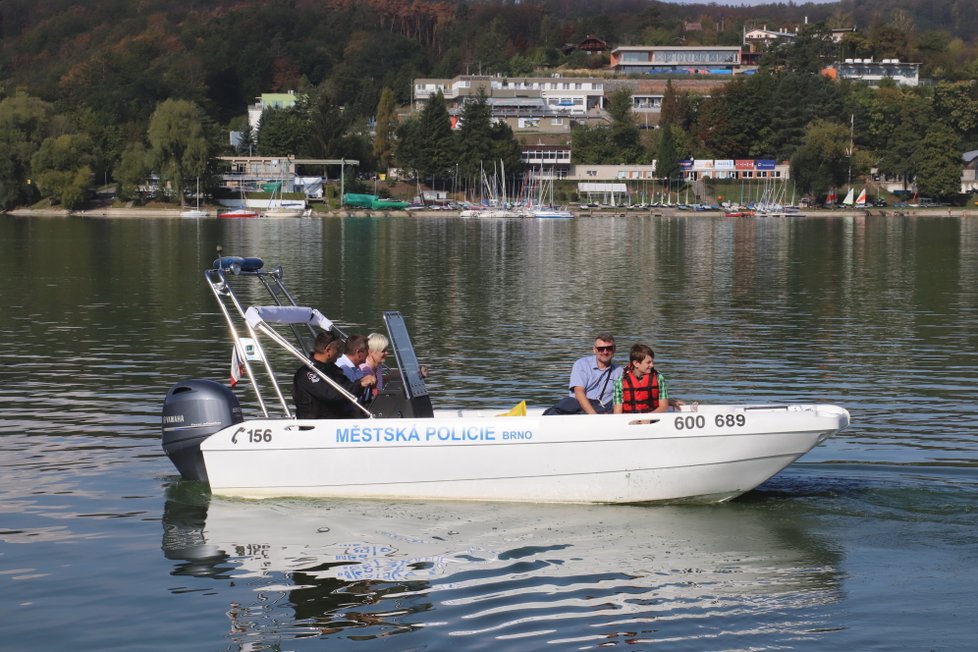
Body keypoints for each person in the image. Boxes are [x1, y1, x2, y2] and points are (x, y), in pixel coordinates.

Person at [292, 333, 376, 419]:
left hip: (338, 420)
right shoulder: (308, 373)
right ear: (328, 351)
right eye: (338, 349)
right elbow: (332, 395)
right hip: (317, 423)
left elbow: (347, 387)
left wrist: (362, 385)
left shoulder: (333, 369)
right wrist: (360, 384)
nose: (340, 353)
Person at [612, 343, 681, 414]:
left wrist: (648, 418)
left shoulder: (659, 378)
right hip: (629, 422)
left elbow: (663, 406)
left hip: (653, 419)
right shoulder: (620, 382)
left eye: (652, 362)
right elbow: (617, 413)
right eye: (648, 362)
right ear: (636, 363)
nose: (652, 365)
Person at [564, 333, 623, 414]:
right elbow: (579, 392)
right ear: (594, 350)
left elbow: (618, 398)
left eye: (609, 348)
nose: (605, 352)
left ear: (614, 350)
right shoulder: (582, 364)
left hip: (604, 411)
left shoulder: (619, 371)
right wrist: (594, 417)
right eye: (601, 349)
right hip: (579, 410)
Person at [358, 332, 390, 399]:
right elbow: (374, 394)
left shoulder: (378, 366)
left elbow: (380, 381)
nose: (387, 353)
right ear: (371, 351)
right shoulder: (364, 369)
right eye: (383, 351)